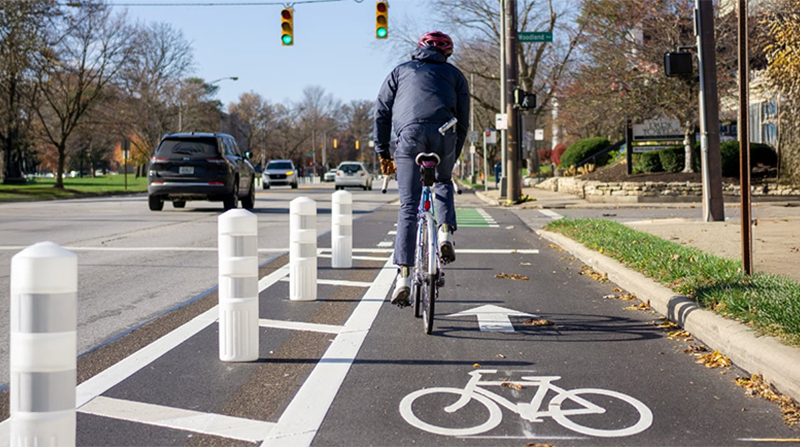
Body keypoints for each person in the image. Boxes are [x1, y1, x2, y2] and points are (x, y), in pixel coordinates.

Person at [373, 30, 470, 307]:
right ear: (446, 53)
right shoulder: (456, 75)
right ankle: (444, 232)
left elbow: (382, 112)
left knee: (408, 206)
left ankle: (403, 278)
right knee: (442, 182)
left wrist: (383, 152)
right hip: (444, 133)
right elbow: (463, 121)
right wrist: (452, 155)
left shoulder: (400, 71)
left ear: (419, 49)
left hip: (409, 136)